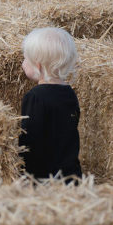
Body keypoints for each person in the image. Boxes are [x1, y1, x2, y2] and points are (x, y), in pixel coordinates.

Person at [19, 27, 83, 182]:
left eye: (26, 59)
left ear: (38, 66)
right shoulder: (69, 93)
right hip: (70, 176)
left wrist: (21, 172)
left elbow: (29, 139)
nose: (23, 63)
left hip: (43, 177)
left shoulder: (35, 97)